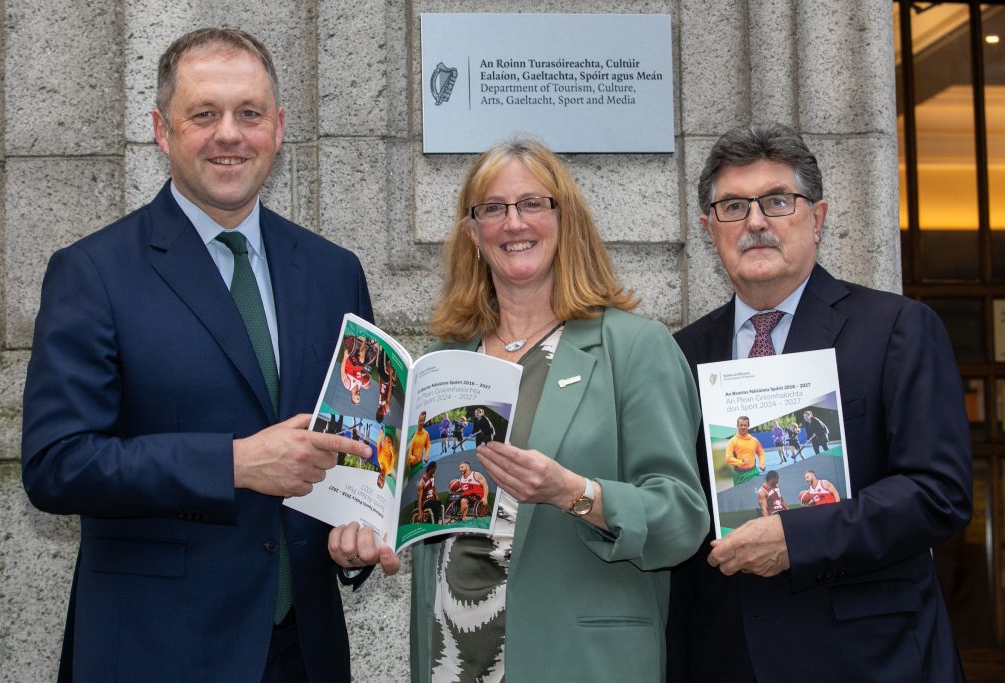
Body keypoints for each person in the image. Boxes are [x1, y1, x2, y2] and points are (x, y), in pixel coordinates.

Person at [19, 28, 397, 683]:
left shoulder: (335, 271)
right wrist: (234, 462)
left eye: (249, 113)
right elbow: (57, 464)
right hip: (155, 650)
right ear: (162, 132)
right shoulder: (93, 272)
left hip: (303, 654)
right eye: (204, 114)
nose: (230, 133)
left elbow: (356, 446)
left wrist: (355, 536)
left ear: (278, 129)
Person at [666, 122, 972, 683]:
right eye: (733, 206)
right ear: (710, 229)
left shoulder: (895, 328)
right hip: (726, 656)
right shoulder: (680, 354)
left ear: (818, 217)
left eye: (778, 201)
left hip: (869, 658)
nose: (755, 222)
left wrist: (797, 537)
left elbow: (939, 493)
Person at [404, 138, 708, 681]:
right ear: (473, 234)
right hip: (453, 655)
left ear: (565, 220)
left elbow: (681, 518)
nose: (513, 223)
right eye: (493, 209)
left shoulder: (634, 347)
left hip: (580, 660)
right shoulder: (446, 361)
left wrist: (575, 493)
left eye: (532, 204)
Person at [725, 415, 766, 485]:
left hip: (753, 472)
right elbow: (728, 458)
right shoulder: (733, 441)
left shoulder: (754, 440)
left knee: (755, 493)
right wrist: (741, 462)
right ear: (737, 426)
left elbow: (761, 452)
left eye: (745, 425)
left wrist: (761, 463)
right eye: (741, 425)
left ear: (748, 426)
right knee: (740, 495)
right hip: (739, 475)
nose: (743, 427)